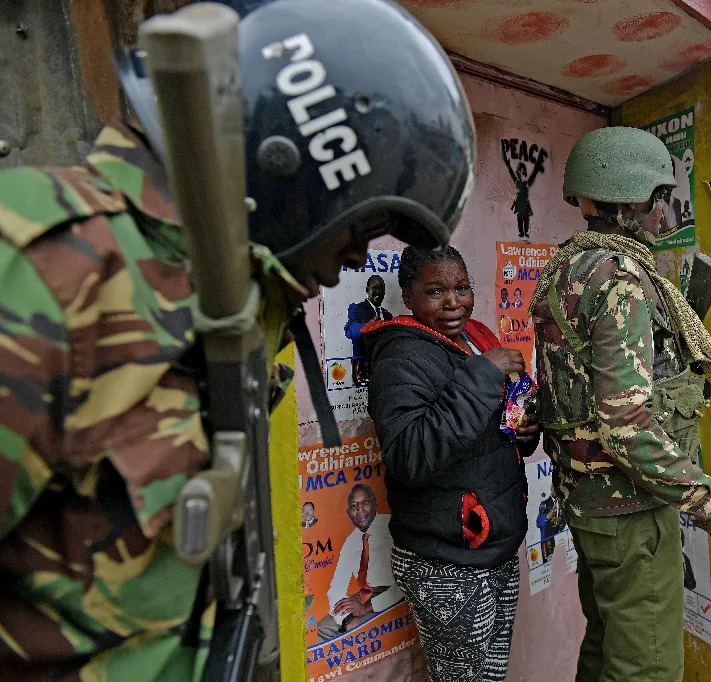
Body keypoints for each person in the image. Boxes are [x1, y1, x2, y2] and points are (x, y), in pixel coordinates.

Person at [0, 0, 476, 678]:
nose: (351, 263)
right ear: (289, 175)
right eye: (359, 231)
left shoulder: (224, 311)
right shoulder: (41, 270)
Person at [529, 126, 711, 682]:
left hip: (589, 501)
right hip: (628, 508)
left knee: (607, 648)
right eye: (658, 198)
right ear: (631, 201)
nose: (663, 212)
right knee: (646, 667)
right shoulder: (622, 279)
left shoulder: (570, 267)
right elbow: (627, 423)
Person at [363, 245, 539, 681]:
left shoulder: (476, 338)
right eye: (435, 291)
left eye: (461, 287)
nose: (453, 302)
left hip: (491, 548)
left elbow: (481, 431)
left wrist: (523, 434)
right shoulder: (400, 357)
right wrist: (482, 374)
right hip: (446, 561)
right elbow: (411, 456)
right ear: (407, 297)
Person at [317, 484, 402, 641]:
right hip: (364, 594)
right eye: (354, 506)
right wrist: (348, 618)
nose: (360, 509)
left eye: (365, 502)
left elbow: (406, 582)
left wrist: (367, 608)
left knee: (361, 630)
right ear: (348, 513)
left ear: (375, 503)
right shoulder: (351, 542)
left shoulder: (393, 527)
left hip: (394, 593)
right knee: (323, 628)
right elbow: (336, 588)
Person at [346, 274, 393, 386]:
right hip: (363, 370)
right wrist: (367, 327)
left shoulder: (388, 316)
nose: (378, 291)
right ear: (367, 290)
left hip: (384, 368)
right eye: (374, 288)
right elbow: (349, 330)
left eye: (381, 289)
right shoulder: (357, 309)